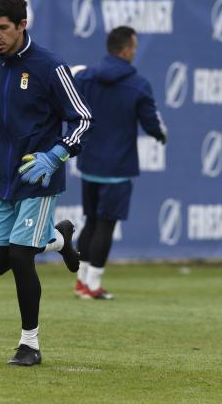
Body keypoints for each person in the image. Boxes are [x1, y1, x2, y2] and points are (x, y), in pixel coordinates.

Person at [0, 0, 92, 366]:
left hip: (38, 179)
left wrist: (56, 154)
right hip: (1, 179)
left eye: (2, 28)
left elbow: (82, 119)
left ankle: (29, 344)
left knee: (20, 255)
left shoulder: (50, 66)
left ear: (22, 25)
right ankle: (59, 238)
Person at [72, 26, 168, 300]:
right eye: (134, 47)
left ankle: (81, 282)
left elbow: (68, 98)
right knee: (106, 225)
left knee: (91, 222)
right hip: (117, 167)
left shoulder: (86, 76)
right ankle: (93, 285)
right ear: (125, 49)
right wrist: (161, 134)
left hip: (89, 162)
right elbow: (152, 123)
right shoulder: (138, 84)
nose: (134, 51)